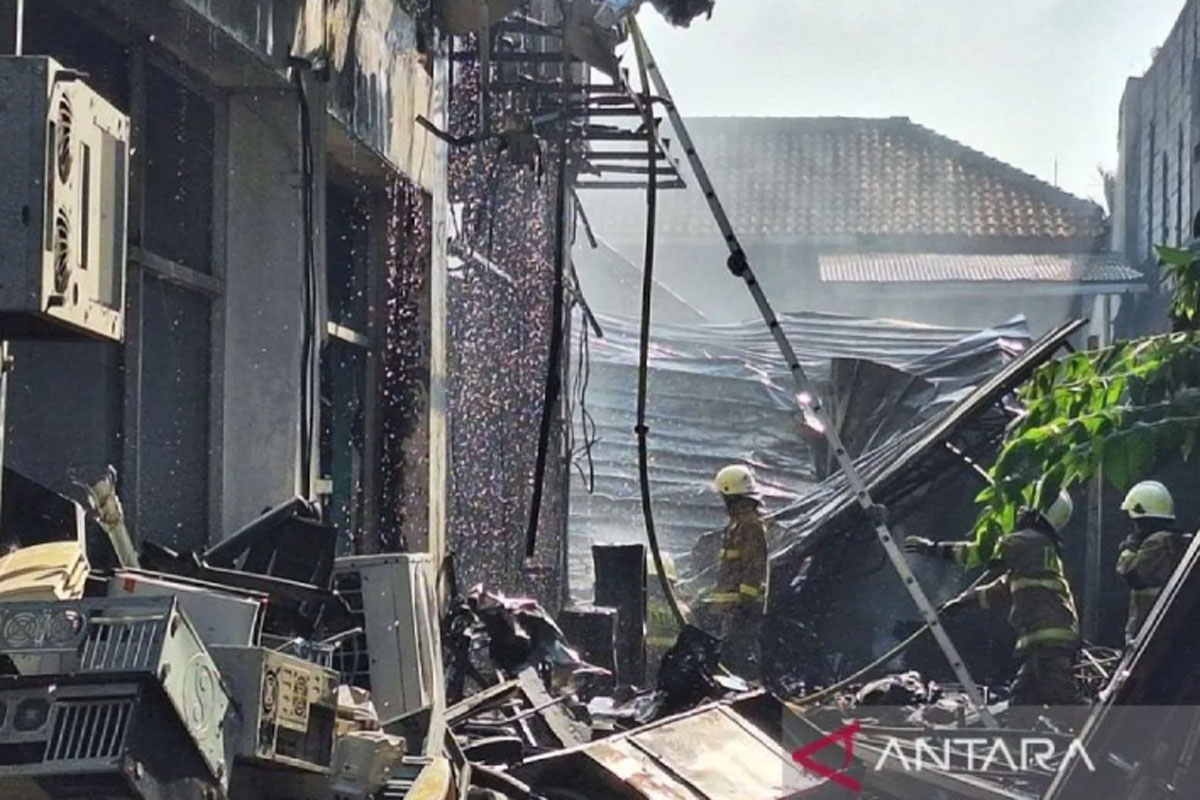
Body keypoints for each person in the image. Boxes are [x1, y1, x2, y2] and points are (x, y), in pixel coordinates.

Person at [905, 483, 1082, 712]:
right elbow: (1000, 590)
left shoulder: (1027, 540)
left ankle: (1106, 734)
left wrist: (933, 548)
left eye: (1024, 507)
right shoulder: (1038, 553)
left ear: (1037, 512)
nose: (1019, 512)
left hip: (1046, 639)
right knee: (1021, 702)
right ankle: (1018, 744)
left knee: (1064, 696)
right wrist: (961, 604)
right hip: (1045, 639)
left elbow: (981, 553)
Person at [706, 464, 768, 679]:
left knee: (738, 654)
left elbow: (754, 565)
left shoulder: (750, 525)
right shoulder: (736, 524)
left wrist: (745, 602)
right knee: (728, 652)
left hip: (740, 607)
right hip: (730, 606)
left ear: (729, 494)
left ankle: (748, 691)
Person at [1117, 480, 1186, 647]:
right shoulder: (1178, 542)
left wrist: (1129, 548)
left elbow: (1130, 573)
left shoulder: (1156, 542)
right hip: (1170, 629)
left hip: (1149, 631)